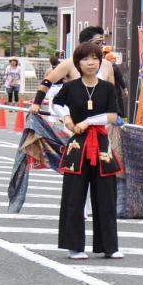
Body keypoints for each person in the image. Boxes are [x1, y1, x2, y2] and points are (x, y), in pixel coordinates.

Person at [52, 42, 123, 260]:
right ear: (78, 63)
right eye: (85, 59)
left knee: (106, 198)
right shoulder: (71, 87)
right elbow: (55, 103)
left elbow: (113, 116)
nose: (90, 63)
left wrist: (88, 121)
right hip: (77, 147)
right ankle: (74, 246)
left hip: (101, 147)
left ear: (100, 61)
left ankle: (109, 247)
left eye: (94, 58)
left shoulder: (107, 88)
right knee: (74, 197)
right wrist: (66, 117)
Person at [29, 27, 115, 115]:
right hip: (74, 119)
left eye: (102, 43)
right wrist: (37, 103)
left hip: (101, 120)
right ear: (85, 44)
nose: (101, 47)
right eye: (97, 43)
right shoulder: (70, 63)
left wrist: (115, 113)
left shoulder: (107, 65)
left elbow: (112, 93)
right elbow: (47, 82)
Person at [104, 50, 127, 116]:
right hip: (116, 90)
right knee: (118, 104)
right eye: (114, 59)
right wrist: (125, 89)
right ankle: (119, 117)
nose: (115, 60)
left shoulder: (104, 68)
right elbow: (120, 79)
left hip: (107, 90)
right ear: (110, 60)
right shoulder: (115, 68)